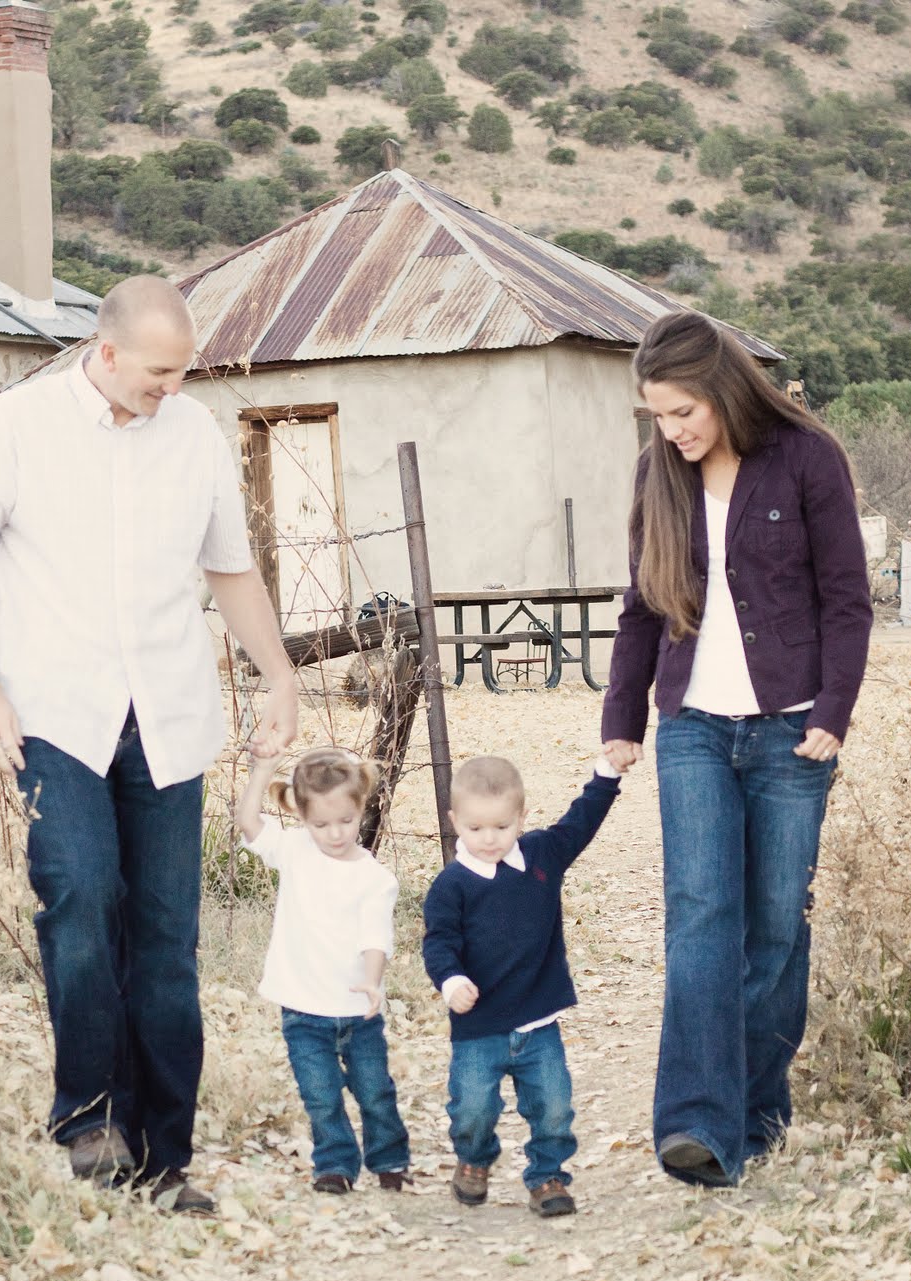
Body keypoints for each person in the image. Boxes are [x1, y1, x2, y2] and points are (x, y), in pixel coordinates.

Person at [0, 276, 298, 1215]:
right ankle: (90, 1118)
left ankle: (164, 1160)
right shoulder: (15, 426)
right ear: (106, 353)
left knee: (168, 943)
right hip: (52, 715)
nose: (172, 390)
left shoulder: (195, 434)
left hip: (167, 717)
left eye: (182, 373)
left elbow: (230, 569)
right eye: (157, 373)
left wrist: (280, 675)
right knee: (82, 896)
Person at [601, 309, 872, 1189]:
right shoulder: (658, 473)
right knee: (700, 917)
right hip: (692, 727)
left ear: (720, 388)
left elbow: (846, 597)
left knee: (774, 928)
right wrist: (620, 719)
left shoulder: (805, 457)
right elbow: (641, 607)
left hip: (793, 730)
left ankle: (753, 1118)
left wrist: (833, 708)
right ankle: (695, 1125)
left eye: (682, 412)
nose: (670, 431)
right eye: (656, 416)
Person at [422, 754, 622, 1218]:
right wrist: (451, 981)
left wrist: (607, 775)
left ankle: (548, 1176)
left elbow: (580, 823)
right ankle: (474, 1159)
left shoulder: (541, 856)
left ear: (521, 817)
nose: (489, 838)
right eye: (475, 828)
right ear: (454, 821)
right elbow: (439, 943)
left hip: (538, 1019)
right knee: (473, 1109)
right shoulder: (451, 886)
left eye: (501, 826)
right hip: (479, 1026)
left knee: (554, 1107)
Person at [237, 748, 411, 1195]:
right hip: (302, 1009)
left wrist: (371, 980)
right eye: (321, 824)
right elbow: (249, 823)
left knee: (374, 1091)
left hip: (358, 1012)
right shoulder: (294, 851)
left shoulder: (374, 878)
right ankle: (334, 1165)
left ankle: (389, 1159)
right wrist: (262, 769)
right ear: (301, 816)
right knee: (320, 1095)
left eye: (346, 821)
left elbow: (376, 937)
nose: (335, 833)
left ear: (361, 808)